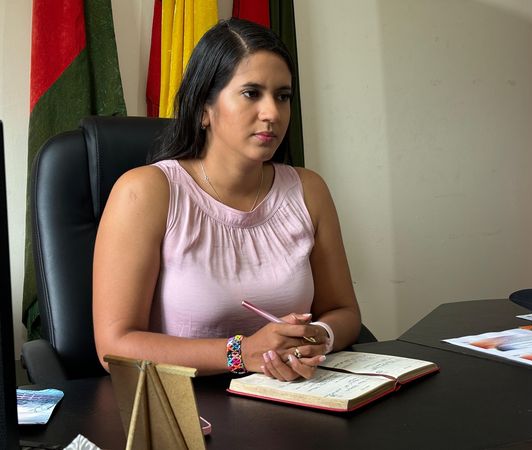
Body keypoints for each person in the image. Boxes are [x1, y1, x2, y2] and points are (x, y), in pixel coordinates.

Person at [93, 18, 361, 381]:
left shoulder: (309, 190)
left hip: (296, 395)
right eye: (252, 93)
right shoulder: (145, 192)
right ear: (204, 107)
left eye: (283, 96)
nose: (272, 113)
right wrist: (242, 353)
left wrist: (316, 337)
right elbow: (114, 347)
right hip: (189, 402)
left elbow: (344, 312)